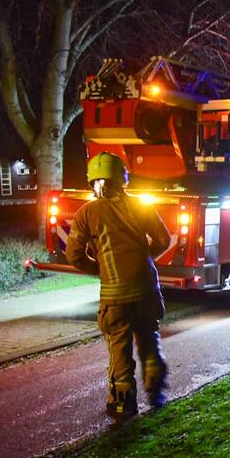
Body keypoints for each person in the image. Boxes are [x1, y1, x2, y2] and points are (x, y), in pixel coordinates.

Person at [65, 152, 172, 420]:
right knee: (150, 342)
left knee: (120, 352)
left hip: (115, 298)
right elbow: (163, 239)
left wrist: (100, 269)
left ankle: (124, 406)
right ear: (122, 179)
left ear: (93, 182)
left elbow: (73, 256)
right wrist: (145, 259)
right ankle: (157, 394)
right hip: (147, 290)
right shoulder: (141, 206)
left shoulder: (86, 213)